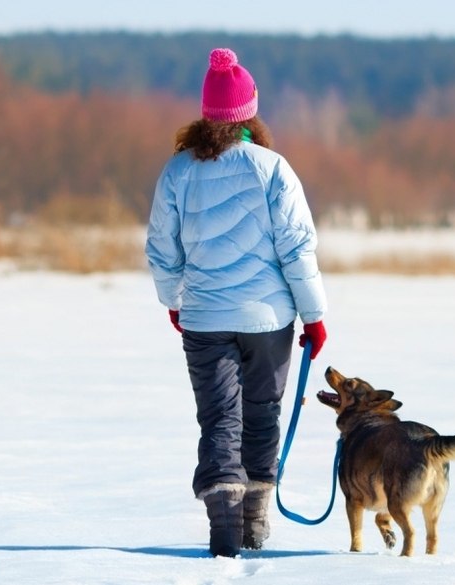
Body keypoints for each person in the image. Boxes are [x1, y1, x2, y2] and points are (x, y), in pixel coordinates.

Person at [145, 47, 328, 558]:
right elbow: (297, 248)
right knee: (262, 413)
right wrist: (314, 316)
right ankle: (254, 520)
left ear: (206, 112)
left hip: (205, 318)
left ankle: (224, 522)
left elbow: (162, 249)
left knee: (219, 418)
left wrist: (174, 300)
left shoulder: (178, 171)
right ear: (250, 110)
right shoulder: (273, 168)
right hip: (269, 320)